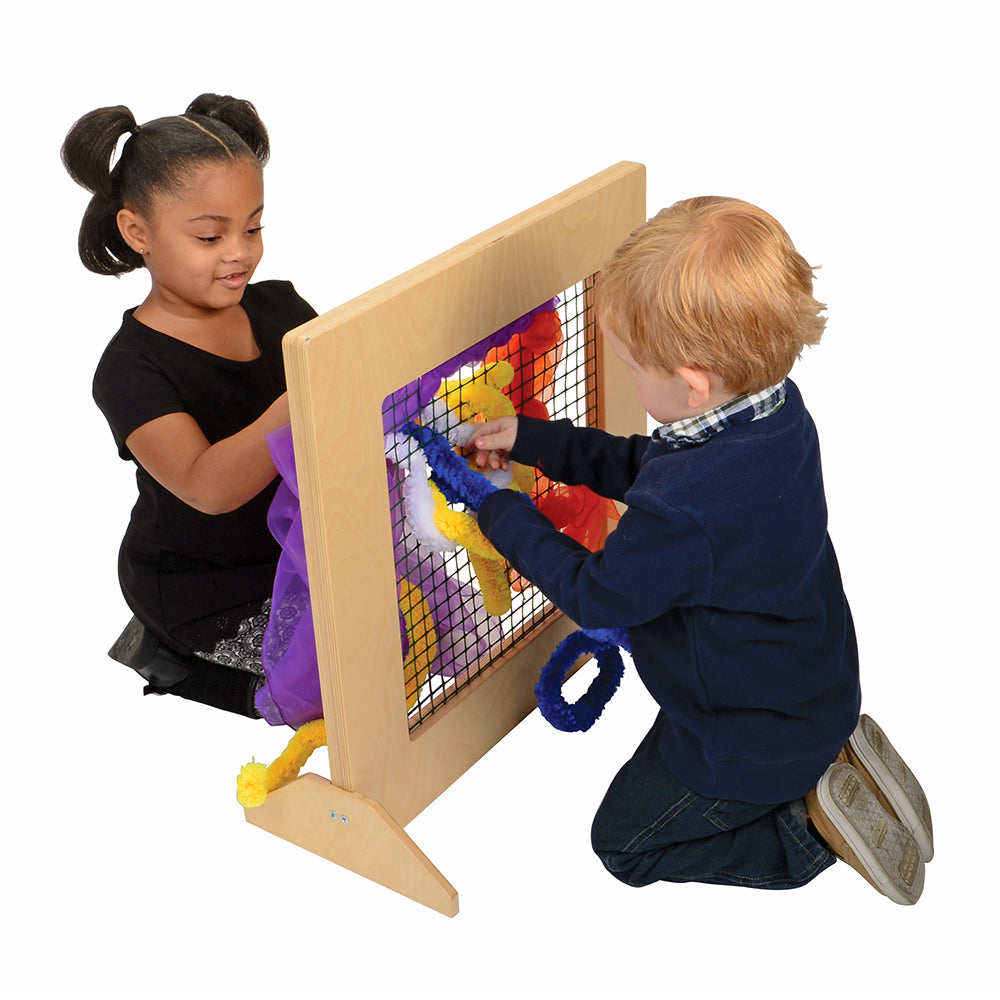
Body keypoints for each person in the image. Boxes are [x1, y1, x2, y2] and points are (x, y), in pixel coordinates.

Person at [470, 197, 933, 904]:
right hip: (809, 683)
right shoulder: (775, 416)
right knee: (754, 739)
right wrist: (534, 441)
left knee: (622, 844)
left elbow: (595, 591)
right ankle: (839, 755)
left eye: (630, 367)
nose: (627, 378)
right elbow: (648, 467)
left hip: (746, 739)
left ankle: (810, 829)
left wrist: (496, 506)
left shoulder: (686, 511)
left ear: (691, 384)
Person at [62, 94, 317, 717]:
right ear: (137, 232)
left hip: (296, 543)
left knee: (427, 629)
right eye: (210, 235)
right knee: (334, 683)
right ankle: (174, 660)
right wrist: (309, 389)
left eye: (253, 227)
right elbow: (207, 487)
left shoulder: (279, 307)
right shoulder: (130, 368)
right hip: (205, 585)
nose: (241, 252)